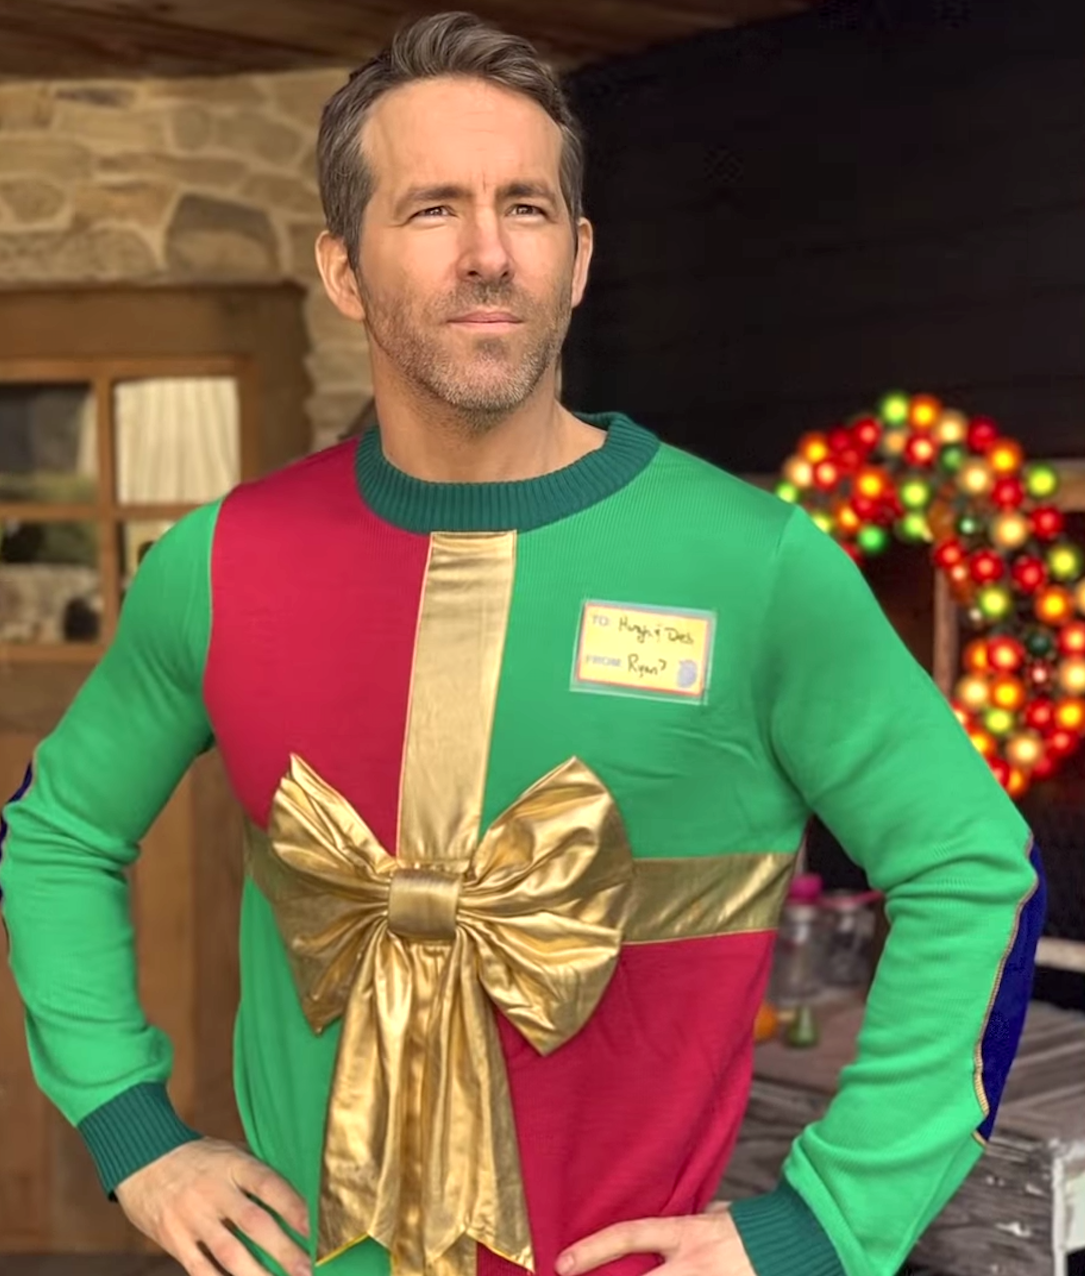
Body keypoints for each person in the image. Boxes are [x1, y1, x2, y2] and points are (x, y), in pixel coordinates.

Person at [0, 12, 1044, 1276]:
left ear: (579, 256)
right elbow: (55, 833)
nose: (487, 252)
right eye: (432, 208)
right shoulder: (218, 563)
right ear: (343, 268)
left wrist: (825, 1225)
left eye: (526, 207)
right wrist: (134, 1133)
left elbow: (969, 865)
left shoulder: (754, 564)